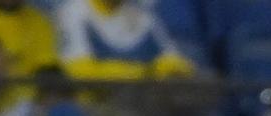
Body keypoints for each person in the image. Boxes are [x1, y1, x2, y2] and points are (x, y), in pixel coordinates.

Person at [51, 0, 194, 81]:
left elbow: (169, 58)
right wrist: (138, 73)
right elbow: (78, 71)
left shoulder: (141, 13)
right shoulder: (74, 12)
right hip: (97, 111)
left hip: (148, 104)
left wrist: (177, 69)